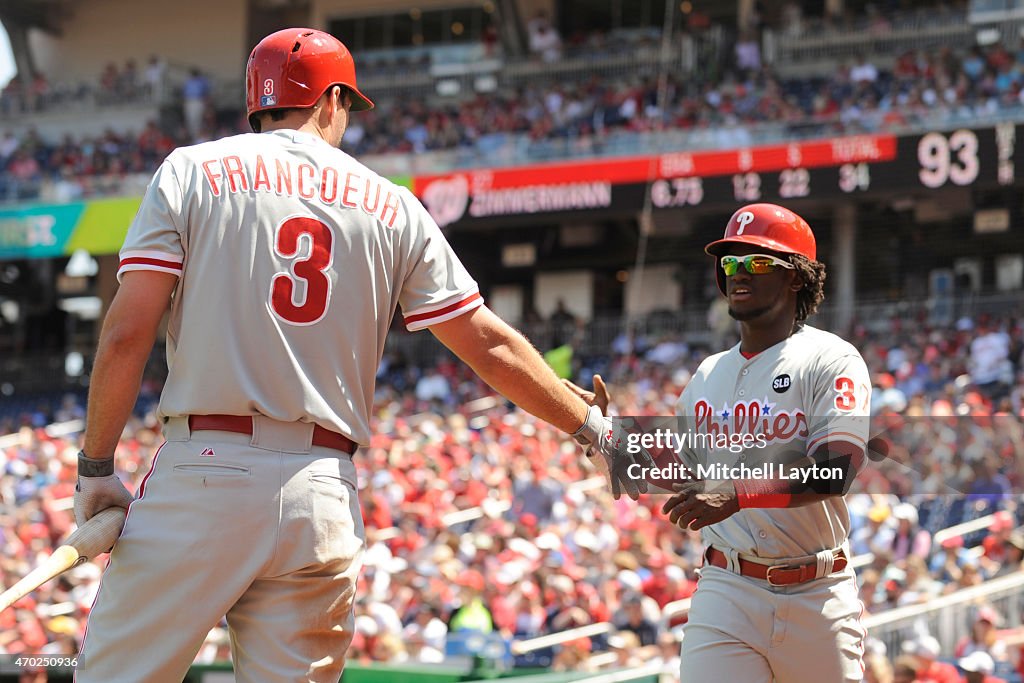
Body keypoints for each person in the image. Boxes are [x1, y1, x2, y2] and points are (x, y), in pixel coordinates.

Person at [72, 27, 651, 682]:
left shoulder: (191, 170)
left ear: (257, 104)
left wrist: (96, 464)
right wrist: (599, 431)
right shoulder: (392, 204)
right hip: (322, 485)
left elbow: (126, 334)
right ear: (332, 100)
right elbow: (486, 343)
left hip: (206, 468)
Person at [656, 204, 872, 681]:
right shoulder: (708, 373)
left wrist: (738, 494)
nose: (738, 274)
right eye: (730, 263)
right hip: (726, 587)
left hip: (818, 591)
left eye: (756, 262)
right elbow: (673, 469)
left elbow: (836, 469)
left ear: (796, 277)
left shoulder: (832, 358)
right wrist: (595, 428)